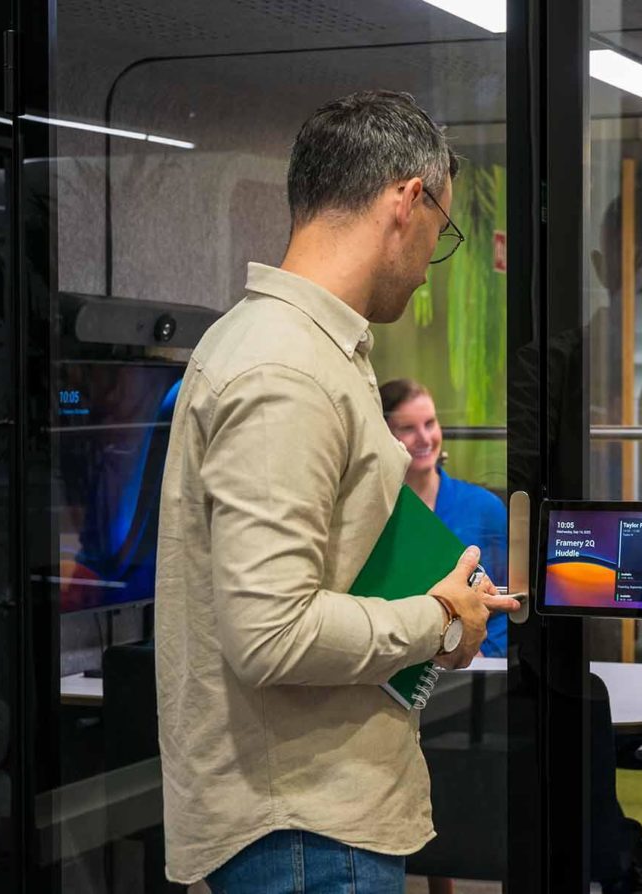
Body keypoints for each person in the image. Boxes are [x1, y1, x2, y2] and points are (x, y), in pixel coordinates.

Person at [154, 90, 520, 893]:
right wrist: (434, 619)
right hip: (304, 828)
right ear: (407, 201)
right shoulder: (286, 368)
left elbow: (323, 572)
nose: (431, 264)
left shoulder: (301, 350)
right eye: (443, 232)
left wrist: (442, 607)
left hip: (308, 820)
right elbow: (270, 631)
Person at [380, 378, 509, 657]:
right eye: (408, 428)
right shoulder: (371, 514)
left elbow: (508, 606)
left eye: (429, 423)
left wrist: (484, 657)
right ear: (383, 436)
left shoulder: (485, 509)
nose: (425, 439)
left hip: (472, 674)